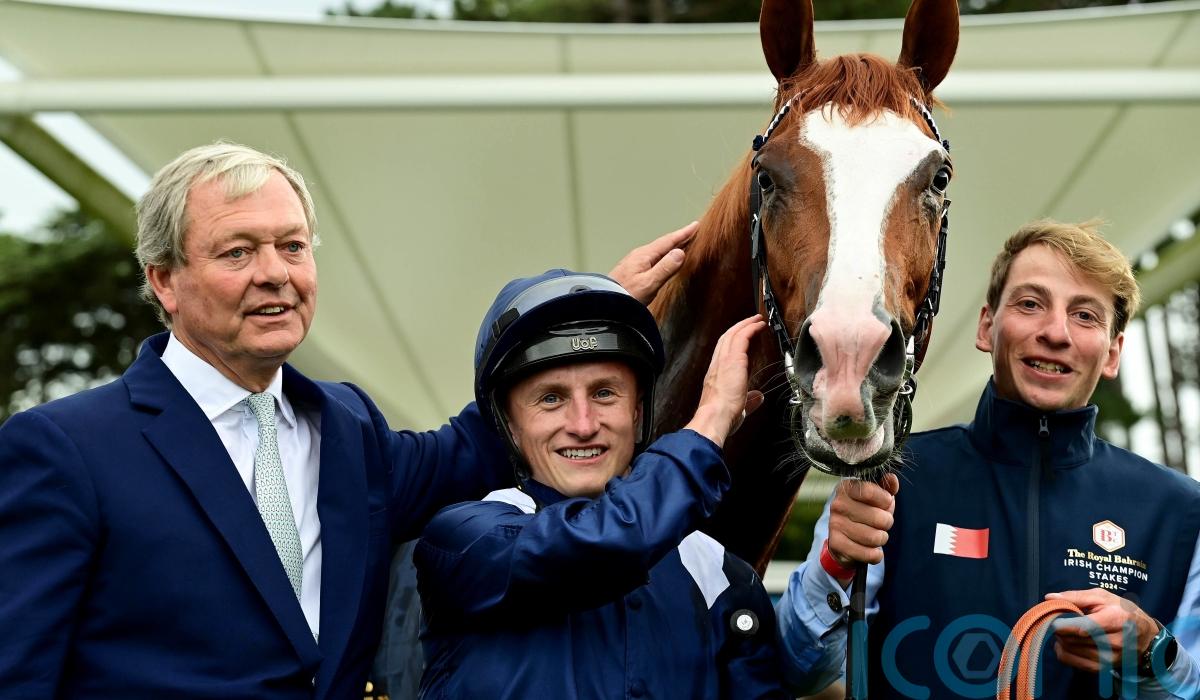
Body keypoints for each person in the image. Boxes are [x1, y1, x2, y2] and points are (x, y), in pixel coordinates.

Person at [0, 141, 694, 698]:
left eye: (292, 246)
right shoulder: (64, 449)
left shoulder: (346, 425)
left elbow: (482, 442)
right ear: (163, 279)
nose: (275, 273)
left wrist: (589, 308)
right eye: (238, 251)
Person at [776, 219, 1200, 698]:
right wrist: (834, 566)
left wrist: (1153, 652)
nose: (1055, 332)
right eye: (1030, 304)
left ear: (1112, 353)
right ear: (987, 326)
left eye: (1085, 316)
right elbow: (798, 669)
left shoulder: (1181, 511)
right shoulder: (891, 477)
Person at [414, 270, 787, 699]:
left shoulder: (720, 574)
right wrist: (709, 422)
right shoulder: (463, 539)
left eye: (604, 393)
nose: (583, 425)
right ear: (509, 425)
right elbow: (606, 541)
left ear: (638, 411)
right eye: (551, 398)